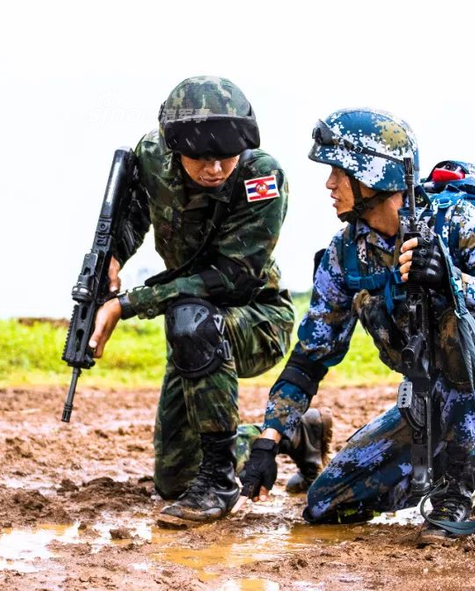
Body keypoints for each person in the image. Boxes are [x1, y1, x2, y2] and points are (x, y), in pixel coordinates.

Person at [238, 108, 475, 542]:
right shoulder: (345, 255)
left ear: (373, 174)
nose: (330, 185)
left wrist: (452, 281)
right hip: (424, 398)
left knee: (459, 321)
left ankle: (455, 488)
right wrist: (270, 437)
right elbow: (311, 355)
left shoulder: (456, 222)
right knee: (326, 503)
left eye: (339, 172)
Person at [86, 76, 331, 528]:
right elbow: (135, 214)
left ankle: (220, 481)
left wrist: (127, 304)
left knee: (191, 320)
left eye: (226, 156)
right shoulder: (152, 159)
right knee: (174, 479)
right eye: (201, 158)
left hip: (255, 319)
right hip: (192, 328)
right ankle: (296, 433)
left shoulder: (263, 178)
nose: (215, 169)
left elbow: (229, 277)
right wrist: (113, 257)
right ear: (175, 147)